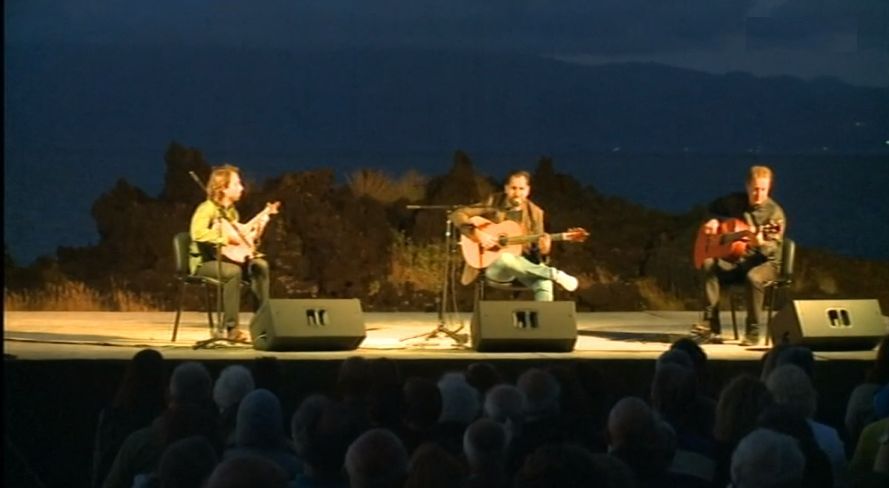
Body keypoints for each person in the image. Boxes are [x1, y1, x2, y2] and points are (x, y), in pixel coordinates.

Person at [692, 165, 785, 346]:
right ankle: (711, 325)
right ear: (748, 186)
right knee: (709, 263)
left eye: (764, 190)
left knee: (754, 277)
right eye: (755, 189)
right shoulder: (735, 201)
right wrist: (712, 219)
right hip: (738, 260)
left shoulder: (775, 214)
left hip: (767, 263)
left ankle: (753, 331)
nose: (759, 194)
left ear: (770, 188)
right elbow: (710, 208)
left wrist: (761, 244)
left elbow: (772, 249)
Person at [449, 170, 579, 301]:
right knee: (506, 258)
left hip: (524, 267)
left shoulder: (536, 213)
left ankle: (543, 320)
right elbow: (457, 214)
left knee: (544, 283)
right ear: (506, 188)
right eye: (513, 188)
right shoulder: (493, 202)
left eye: (521, 189)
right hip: (494, 268)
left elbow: (536, 253)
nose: (517, 193)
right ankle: (554, 274)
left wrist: (544, 250)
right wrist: (477, 234)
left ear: (528, 190)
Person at [189, 164, 271, 342]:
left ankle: (263, 324)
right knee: (233, 273)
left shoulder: (232, 213)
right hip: (205, 263)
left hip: (227, 259)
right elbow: (198, 233)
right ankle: (232, 329)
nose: (241, 188)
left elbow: (237, 243)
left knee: (260, 266)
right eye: (237, 184)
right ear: (224, 188)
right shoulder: (207, 209)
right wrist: (224, 237)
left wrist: (256, 231)